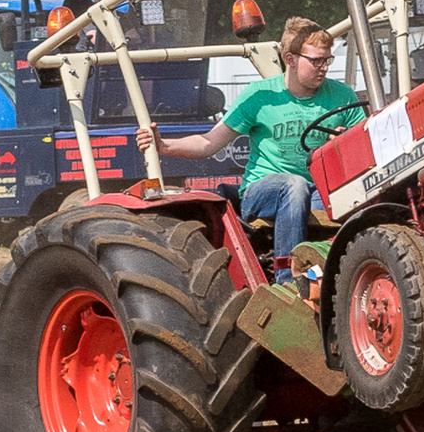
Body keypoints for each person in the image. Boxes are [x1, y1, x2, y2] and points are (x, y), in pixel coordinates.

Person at [138, 16, 364, 282]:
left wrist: (344, 143)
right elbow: (208, 143)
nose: (323, 68)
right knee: (294, 186)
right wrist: (163, 146)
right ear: (290, 59)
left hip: (318, 192)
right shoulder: (260, 96)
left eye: (327, 60)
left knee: (362, 197)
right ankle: (288, 281)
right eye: (316, 61)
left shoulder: (342, 96)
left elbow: (363, 148)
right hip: (263, 192)